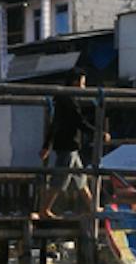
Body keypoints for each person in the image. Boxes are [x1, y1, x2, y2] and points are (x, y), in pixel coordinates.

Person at [37, 68, 106, 217]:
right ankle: (45, 209)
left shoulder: (65, 98)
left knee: (81, 179)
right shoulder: (68, 99)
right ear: (75, 83)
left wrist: (46, 145)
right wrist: (98, 133)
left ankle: (93, 206)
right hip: (67, 145)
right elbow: (78, 121)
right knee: (60, 178)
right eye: (82, 84)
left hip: (70, 145)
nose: (83, 87)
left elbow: (54, 123)